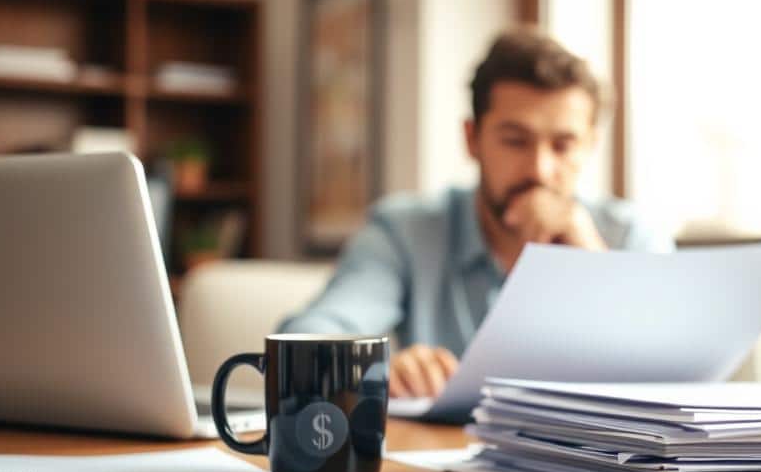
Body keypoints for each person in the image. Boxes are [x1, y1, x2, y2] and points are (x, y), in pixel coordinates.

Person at [279, 27, 674, 399]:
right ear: (472, 139)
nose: (539, 170)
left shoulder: (630, 236)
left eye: (563, 145)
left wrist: (595, 265)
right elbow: (307, 341)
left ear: (589, 146)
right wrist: (377, 370)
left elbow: (677, 369)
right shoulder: (404, 232)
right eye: (515, 141)